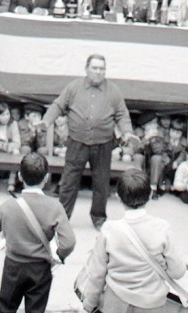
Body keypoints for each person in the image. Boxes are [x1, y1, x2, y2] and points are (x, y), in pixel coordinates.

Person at [82, 168, 187, 313]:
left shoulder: (109, 229)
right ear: (150, 194)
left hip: (116, 301)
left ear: (118, 196)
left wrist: (90, 301)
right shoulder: (162, 228)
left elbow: (97, 273)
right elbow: (178, 271)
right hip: (151, 302)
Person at [0, 152, 76, 313]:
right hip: (40, 269)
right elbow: (69, 242)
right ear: (46, 178)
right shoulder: (55, 206)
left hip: (13, 266)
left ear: (19, 177)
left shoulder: (9, 205)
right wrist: (58, 255)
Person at [40, 54, 137, 229]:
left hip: (103, 144)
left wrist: (127, 132)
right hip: (77, 142)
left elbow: (122, 114)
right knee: (69, 182)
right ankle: (62, 219)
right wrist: (46, 121)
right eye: (94, 68)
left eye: (102, 69)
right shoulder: (73, 87)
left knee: (101, 183)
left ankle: (99, 218)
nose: (98, 72)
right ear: (86, 69)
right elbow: (58, 105)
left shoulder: (114, 91)